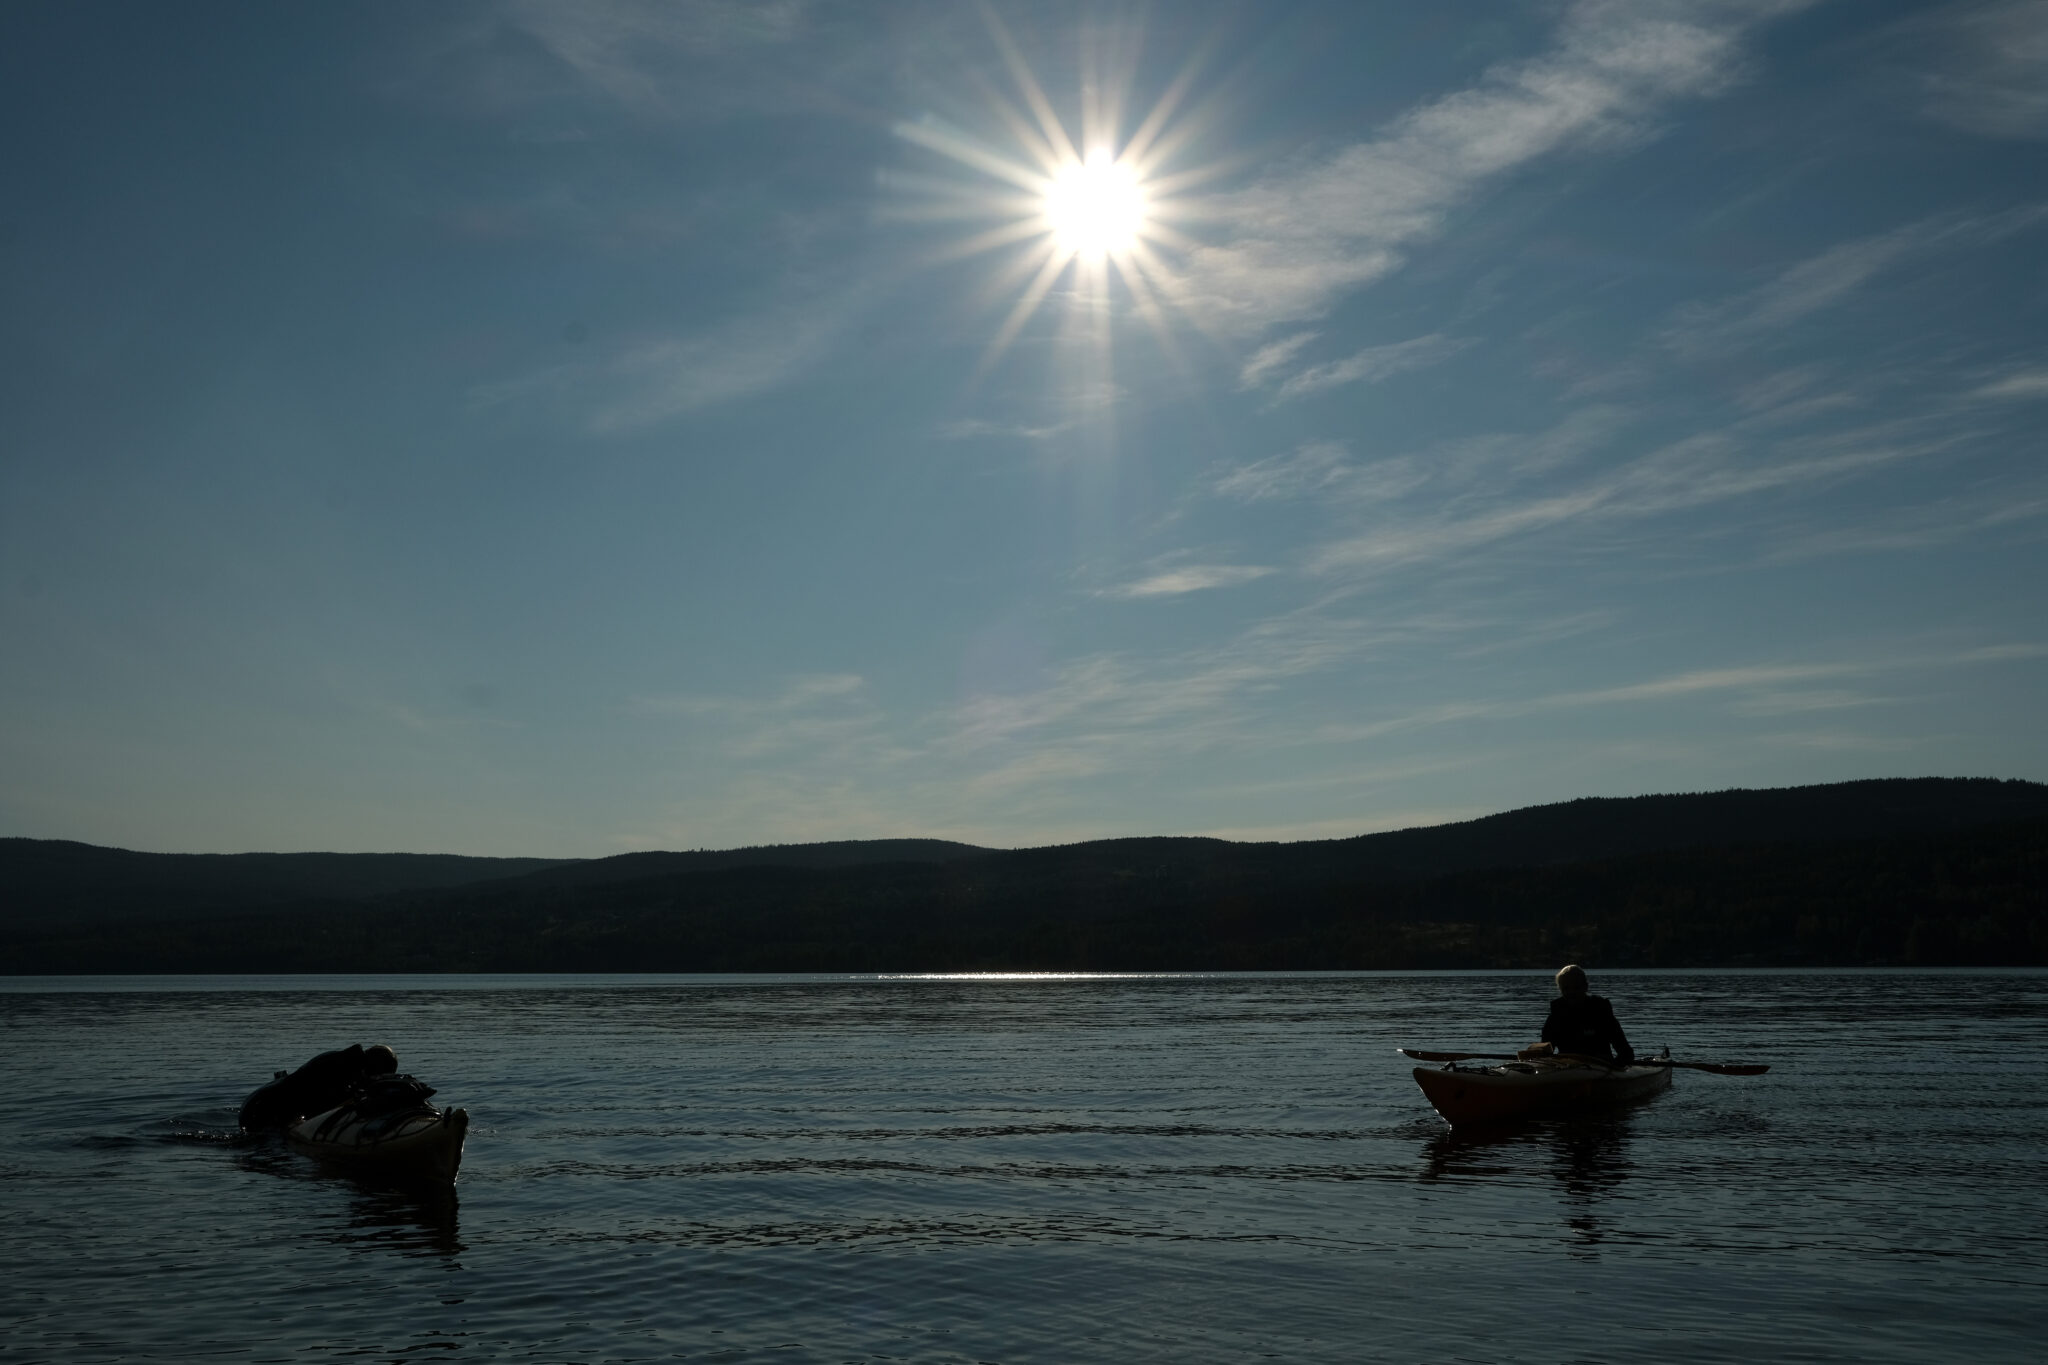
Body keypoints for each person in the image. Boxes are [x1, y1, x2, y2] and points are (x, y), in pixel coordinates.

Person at [238, 1043, 398, 1131]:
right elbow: (328, 1102)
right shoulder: (339, 1068)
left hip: (256, 1102)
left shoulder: (344, 1061)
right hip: (259, 1110)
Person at [1537, 964, 1634, 1066]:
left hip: (1600, 1069)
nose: (1571, 992)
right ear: (1560, 990)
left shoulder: (1601, 1012)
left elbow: (1626, 1053)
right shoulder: (1555, 1017)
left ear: (1585, 987)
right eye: (1566, 989)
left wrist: (1614, 1066)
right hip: (1567, 1069)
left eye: (1576, 988)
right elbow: (1544, 1053)